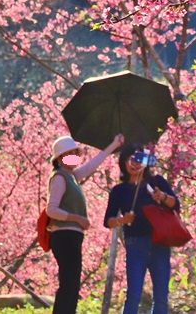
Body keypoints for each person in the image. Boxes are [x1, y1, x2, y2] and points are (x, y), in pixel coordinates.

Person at [45, 133, 124, 314]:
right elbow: (52, 210)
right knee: (69, 283)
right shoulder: (59, 177)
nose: (75, 158)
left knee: (72, 283)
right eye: (70, 154)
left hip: (72, 236)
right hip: (64, 235)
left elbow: (94, 164)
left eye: (76, 153)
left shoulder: (72, 176)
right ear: (60, 158)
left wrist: (113, 145)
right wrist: (77, 218)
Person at [103, 145, 181, 314]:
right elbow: (107, 221)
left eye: (138, 159)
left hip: (159, 242)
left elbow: (176, 204)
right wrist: (122, 220)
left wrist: (162, 197)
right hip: (135, 243)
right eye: (129, 159)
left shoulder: (157, 182)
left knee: (161, 295)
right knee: (134, 294)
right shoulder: (119, 191)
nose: (134, 163)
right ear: (123, 163)